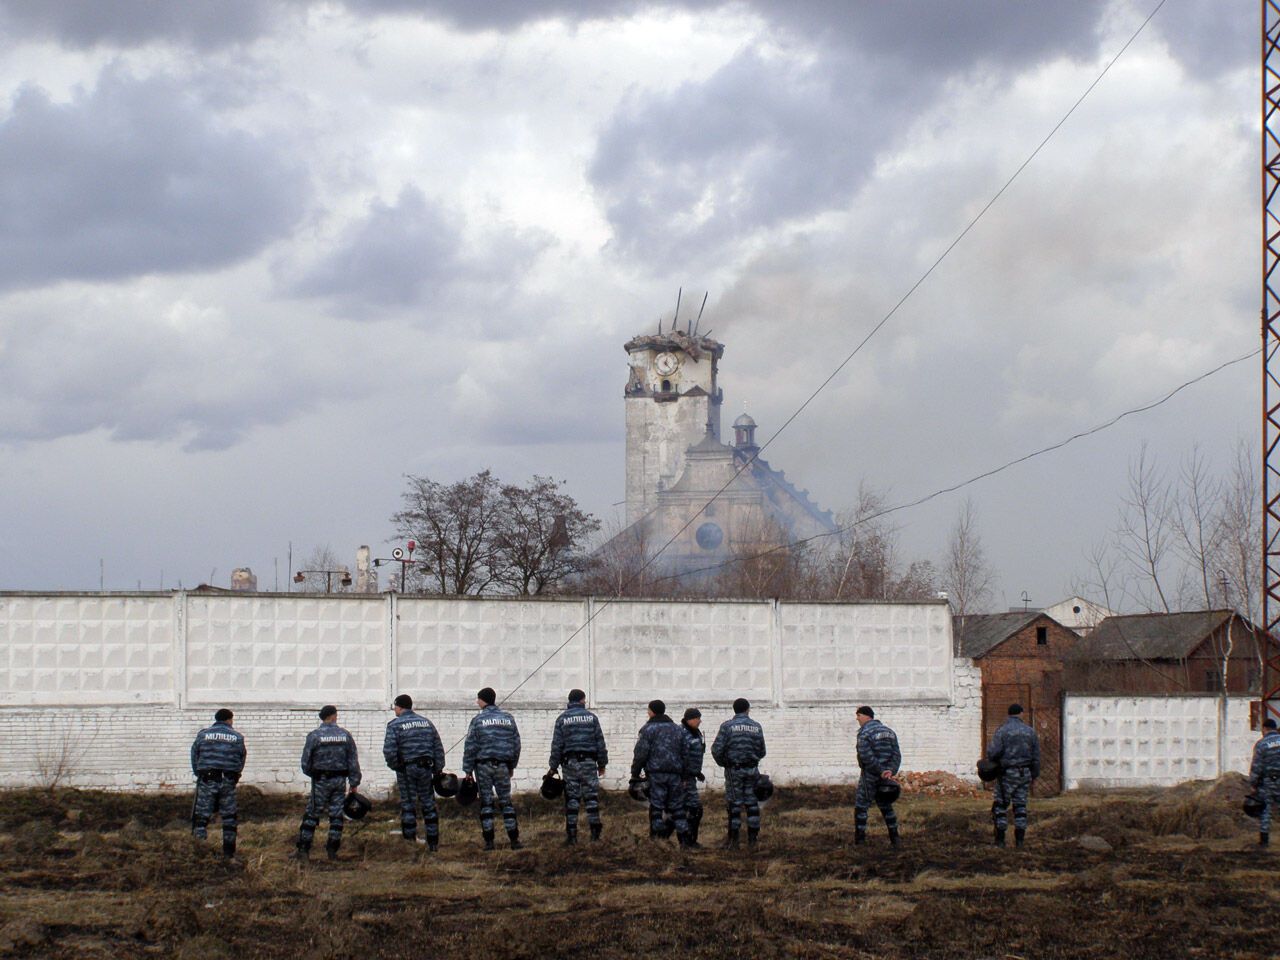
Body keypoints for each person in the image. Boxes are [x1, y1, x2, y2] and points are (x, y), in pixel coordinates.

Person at [293, 705, 361, 861]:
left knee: (312, 814)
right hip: (339, 782)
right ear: (334, 716)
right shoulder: (345, 735)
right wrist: (354, 782)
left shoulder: (314, 736)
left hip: (321, 781)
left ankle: (303, 850)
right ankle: (332, 851)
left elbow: (305, 763)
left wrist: (315, 774)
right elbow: (352, 761)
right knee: (336, 815)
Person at [383, 693, 446, 851]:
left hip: (407, 769)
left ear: (400, 707)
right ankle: (432, 843)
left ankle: (410, 842)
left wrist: (396, 766)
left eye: (395, 707)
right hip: (426, 768)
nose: (394, 710)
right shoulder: (426, 723)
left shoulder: (395, 725)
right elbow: (438, 747)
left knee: (408, 804)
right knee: (428, 804)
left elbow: (389, 751)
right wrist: (438, 769)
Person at [463, 687, 522, 851]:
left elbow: (470, 747)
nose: (477, 702)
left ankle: (489, 842)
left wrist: (467, 770)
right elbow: (516, 744)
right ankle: (514, 840)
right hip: (503, 765)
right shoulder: (508, 718)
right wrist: (512, 765)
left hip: (483, 767)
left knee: (486, 803)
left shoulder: (478, 720)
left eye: (478, 699)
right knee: (506, 802)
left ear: (483, 700)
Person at [547, 688, 608, 844]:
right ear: (581, 700)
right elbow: (600, 743)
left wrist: (553, 767)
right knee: (591, 799)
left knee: (572, 799)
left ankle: (572, 836)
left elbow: (557, 745)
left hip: (570, 764)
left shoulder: (562, 719)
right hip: (588, 762)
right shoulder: (592, 718)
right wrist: (602, 764)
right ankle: (595, 835)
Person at [630, 699, 690, 846]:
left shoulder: (648, 730)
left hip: (656, 775)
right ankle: (684, 841)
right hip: (675, 775)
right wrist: (685, 775)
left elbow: (640, 754)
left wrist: (635, 774)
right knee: (677, 808)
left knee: (656, 808)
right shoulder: (678, 729)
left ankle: (658, 841)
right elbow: (686, 754)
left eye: (648, 711)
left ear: (652, 712)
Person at [190, 708, 247, 859]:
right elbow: (241, 759)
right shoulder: (237, 737)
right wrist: (234, 777)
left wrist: (199, 773)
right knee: (229, 817)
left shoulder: (203, 735)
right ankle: (229, 853)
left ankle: (199, 851)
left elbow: (195, 755)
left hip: (207, 779)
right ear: (229, 719)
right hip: (227, 781)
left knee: (201, 817)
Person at [711, 697, 767, 849]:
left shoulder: (727, 727)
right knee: (752, 804)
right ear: (748, 709)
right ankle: (753, 841)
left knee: (734, 804)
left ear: (734, 710)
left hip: (733, 771)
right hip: (752, 770)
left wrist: (724, 763)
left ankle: (734, 842)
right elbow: (762, 751)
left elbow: (716, 749)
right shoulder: (756, 726)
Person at [985, 703, 1041, 848]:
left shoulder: (1002, 731)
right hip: (1025, 773)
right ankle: (1020, 840)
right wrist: (1034, 773)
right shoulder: (1030, 732)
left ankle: (1001, 839)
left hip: (1006, 774)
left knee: (1000, 805)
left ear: (1009, 714)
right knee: (1021, 805)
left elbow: (992, 752)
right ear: (1021, 713)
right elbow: (1036, 756)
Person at [853, 706, 901, 847]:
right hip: (886, 778)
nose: (857, 719)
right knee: (886, 805)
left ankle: (860, 841)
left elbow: (866, 756)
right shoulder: (890, 732)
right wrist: (890, 771)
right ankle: (895, 838)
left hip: (870, 776)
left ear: (867, 716)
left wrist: (880, 771)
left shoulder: (864, 733)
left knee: (861, 806)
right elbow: (896, 755)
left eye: (859, 715)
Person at [1250, 717, 1280, 846]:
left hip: (1268, 781)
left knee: (1266, 810)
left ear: (1265, 729)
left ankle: (1264, 841)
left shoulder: (1261, 744)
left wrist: (1253, 783)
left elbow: (1257, 766)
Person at [680, 708, 706, 848]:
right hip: (683, 778)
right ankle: (686, 841)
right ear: (691, 719)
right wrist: (684, 776)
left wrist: (697, 772)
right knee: (692, 808)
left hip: (691, 776)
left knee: (693, 809)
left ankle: (690, 841)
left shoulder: (695, 733)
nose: (700, 721)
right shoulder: (682, 733)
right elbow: (680, 756)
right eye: (698, 718)